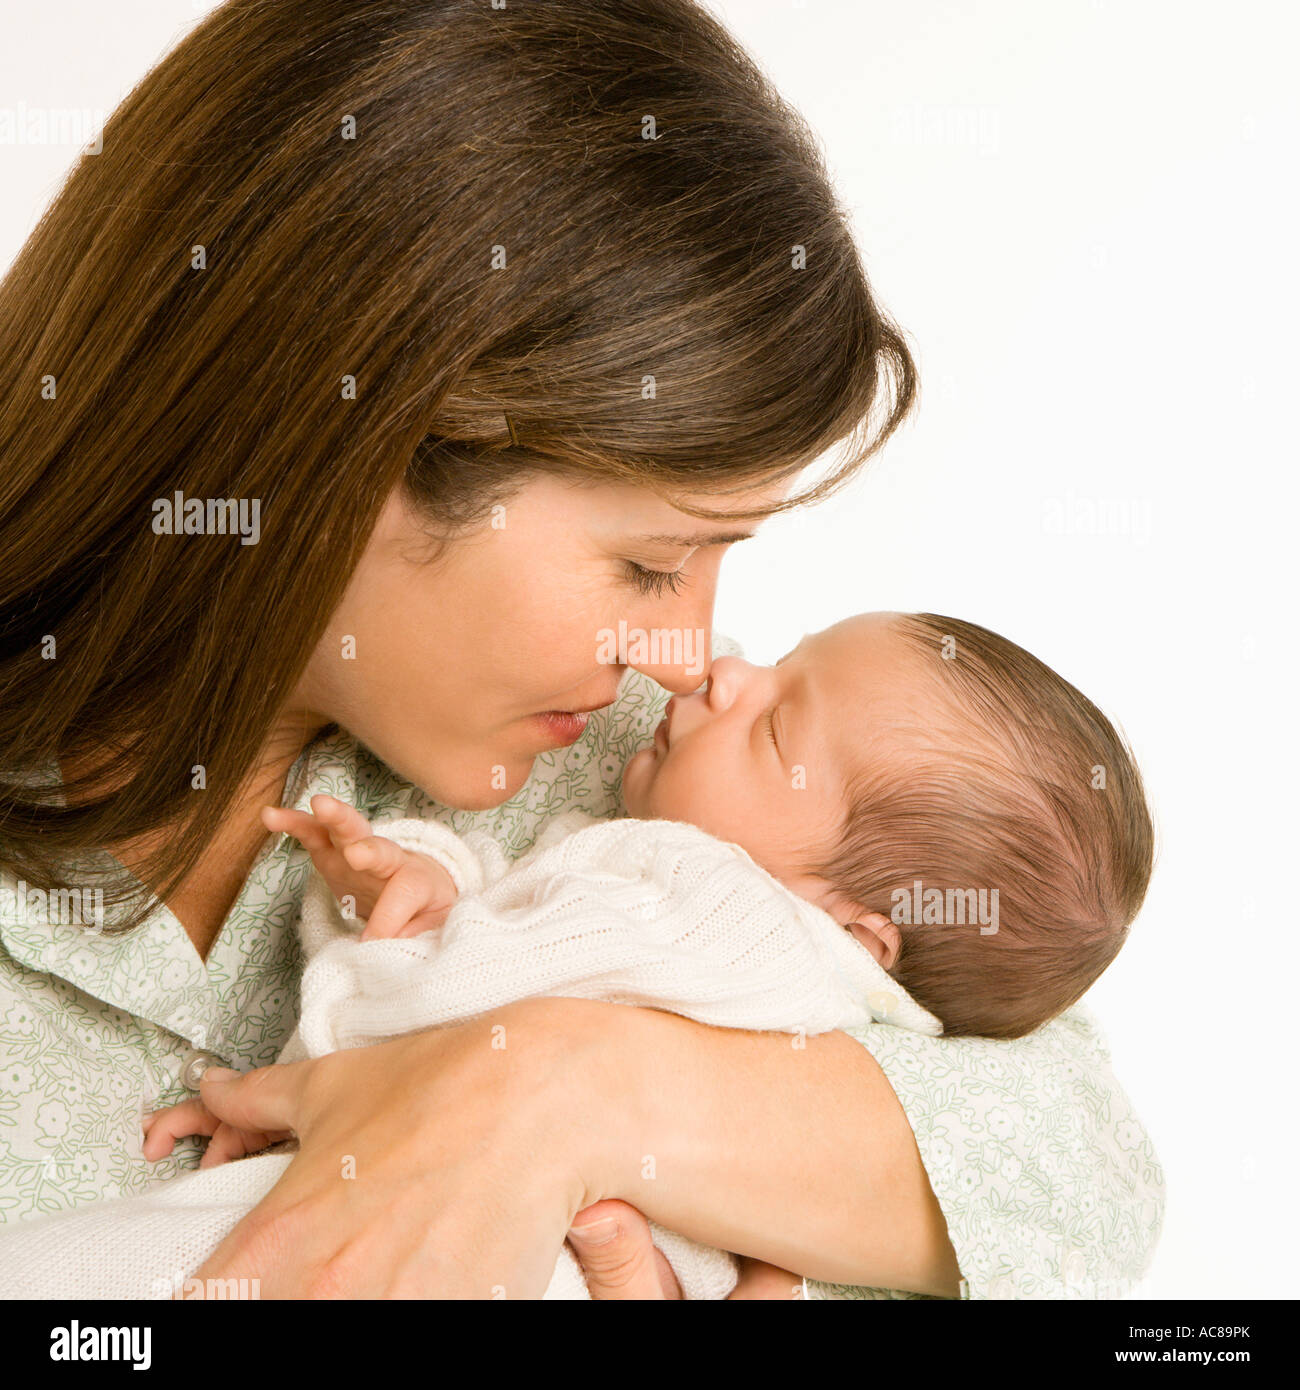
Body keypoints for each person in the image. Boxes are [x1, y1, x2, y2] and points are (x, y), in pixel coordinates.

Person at [0, 0, 1163, 1298]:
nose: (686, 650)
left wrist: (562, 1085)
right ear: (356, 451)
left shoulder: (627, 774)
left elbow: (1079, 1162)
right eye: (651, 563)